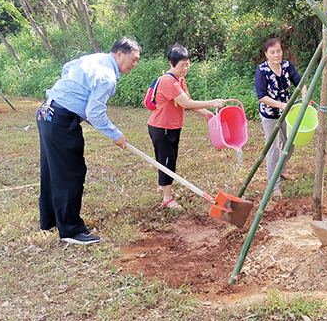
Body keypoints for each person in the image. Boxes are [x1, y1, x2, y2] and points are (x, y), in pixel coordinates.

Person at [37, 37, 141, 245]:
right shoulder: (107, 77)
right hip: (60, 120)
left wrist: (73, 96)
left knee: (53, 171)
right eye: (134, 59)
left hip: (47, 112)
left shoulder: (96, 59)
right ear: (120, 53)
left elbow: (68, 68)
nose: (135, 64)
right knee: (71, 173)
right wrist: (115, 134)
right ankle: (71, 230)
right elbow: (95, 112)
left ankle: (53, 220)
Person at [147, 44, 225, 208]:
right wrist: (213, 103)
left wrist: (205, 113)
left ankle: (165, 187)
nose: (185, 68)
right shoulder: (169, 81)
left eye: (187, 64)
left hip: (172, 127)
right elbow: (186, 102)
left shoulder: (180, 80)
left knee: (170, 159)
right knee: (166, 162)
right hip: (162, 127)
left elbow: (187, 103)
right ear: (171, 63)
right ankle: (167, 198)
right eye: (182, 65)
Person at [254, 38, 307, 199]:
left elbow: (300, 83)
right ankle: (274, 185)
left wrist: (304, 96)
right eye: (272, 52)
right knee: (273, 150)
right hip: (270, 115)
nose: (276, 54)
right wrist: (281, 105)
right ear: (266, 54)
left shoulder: (287, 66)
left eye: (278, 50)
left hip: (287, 113)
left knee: (290, 142)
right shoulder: (262, 71)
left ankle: (281, 170)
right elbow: (262, 97)